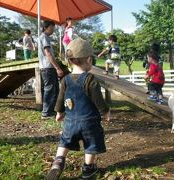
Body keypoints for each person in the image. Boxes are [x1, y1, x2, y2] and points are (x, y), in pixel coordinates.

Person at [46, 38, 110, 180]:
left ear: (70, 61)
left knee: (65, 141)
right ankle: (88, 169)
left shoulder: (65, 80)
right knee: (91, 144)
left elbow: (60, 99)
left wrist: (59, 112)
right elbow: (98, 99)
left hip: (70, 122)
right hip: (89, 122)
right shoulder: (90, 79)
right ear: (88, 60)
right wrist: (105, 111)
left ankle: (58, 162)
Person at [39, 20, 64, 119]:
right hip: (47, 67)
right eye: (52, 27)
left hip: (49, 67)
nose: (53, 29)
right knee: (49, 89)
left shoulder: (46, 38)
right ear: (46, 27)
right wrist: (57, 68)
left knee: (55, 89)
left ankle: (51, 111)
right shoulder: (44, 37)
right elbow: (48, 53)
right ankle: (45, 113)